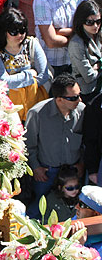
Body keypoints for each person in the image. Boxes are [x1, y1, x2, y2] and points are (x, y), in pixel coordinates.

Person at [24, 72, 85, 220]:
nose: (79, 100)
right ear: (59, 99)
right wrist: (36, 167)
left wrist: (82, 163)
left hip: (73, 172)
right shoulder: (37, 114)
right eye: (73, 97)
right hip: (47, 173)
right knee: (39, 209)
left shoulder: (82, 110)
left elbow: (86, 142)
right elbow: (28, 145)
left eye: (79, 95)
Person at [0, 8, 50, 122]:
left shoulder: (32, 43)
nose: (20, 35)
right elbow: (2, 81)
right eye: (14, 32)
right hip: (8, 110)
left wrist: (16, 85)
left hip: (34, 106)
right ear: (3, 31)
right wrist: (29, 75)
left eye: (22, 30)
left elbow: (44, 75)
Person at [33, 0, 88, 78]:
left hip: (76, 60)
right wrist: (77, 37)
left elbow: (87, 26)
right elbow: (51, 41)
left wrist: (60, 32)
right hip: (52, 63)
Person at [68, 0, 102, 104]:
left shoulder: (99, 35)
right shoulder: (76, 43)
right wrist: (100, 64)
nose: (95, 26)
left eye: (98, 21)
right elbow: (88, 76)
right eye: (90, 22)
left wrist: (96, 66)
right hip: (86, 94)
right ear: (81, 21)